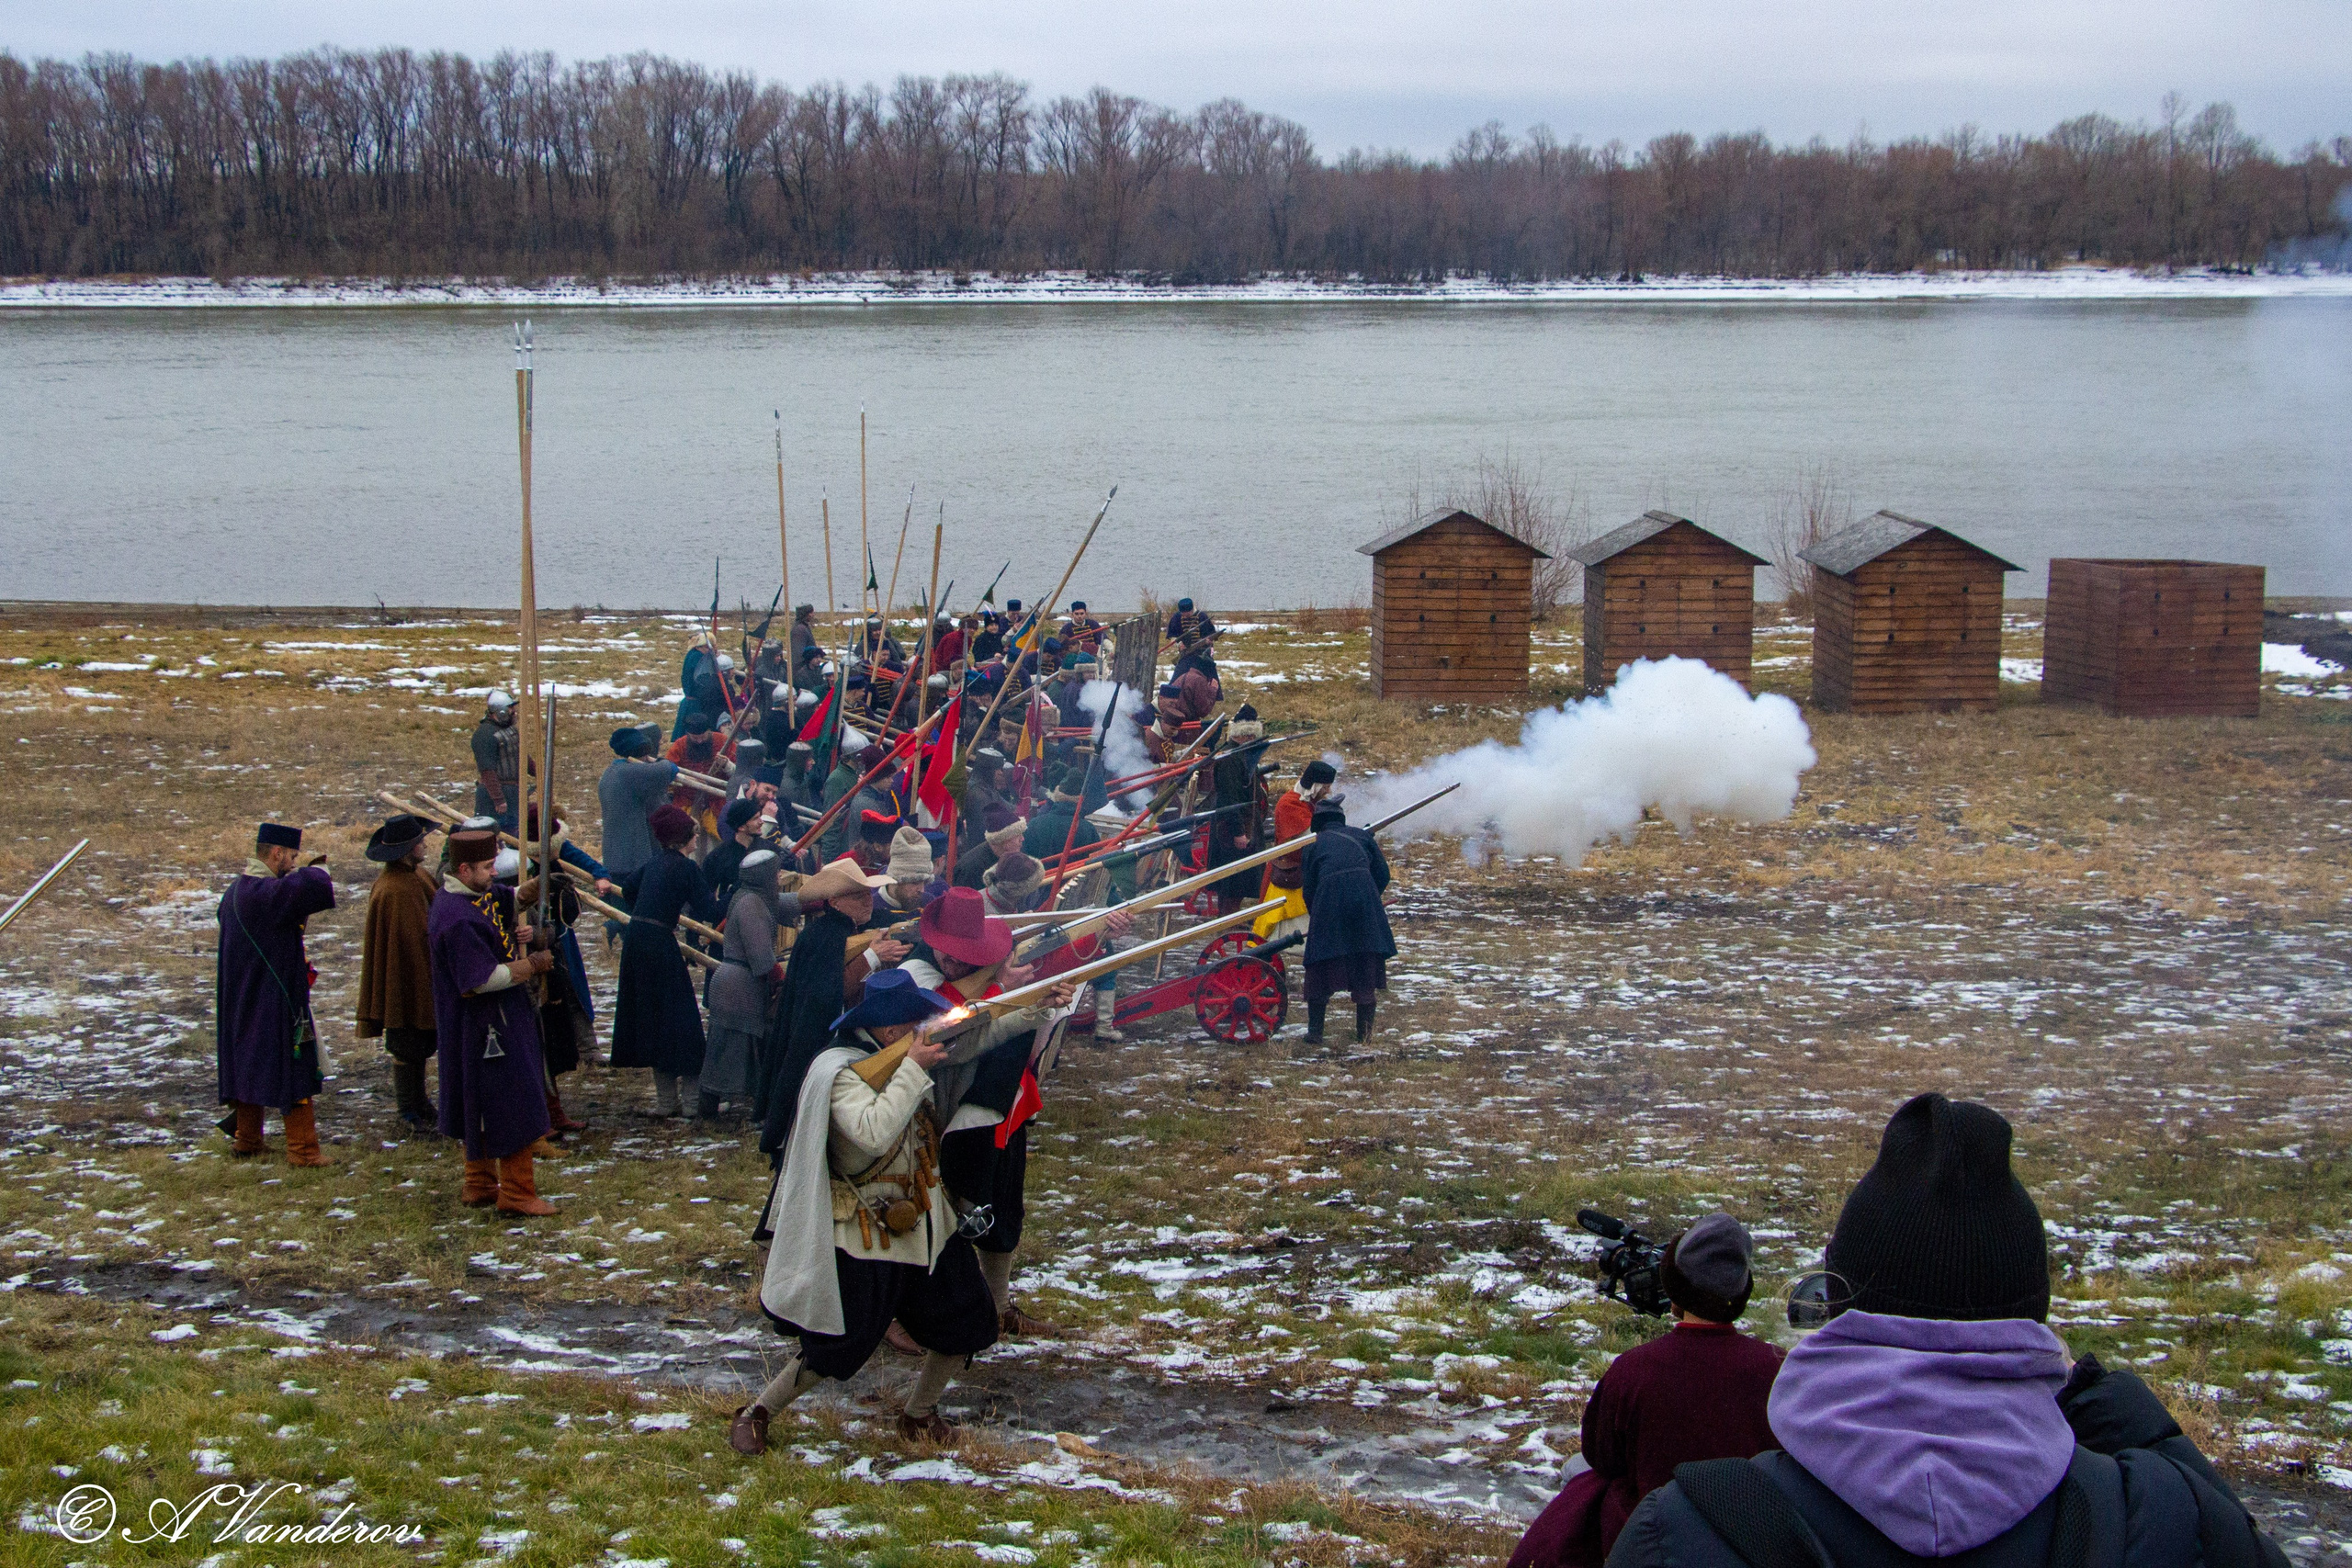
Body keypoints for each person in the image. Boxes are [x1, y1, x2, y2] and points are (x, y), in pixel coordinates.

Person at [1608, 1092, 2289, 1568]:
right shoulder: (2166, 1522)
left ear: (1837, 1307)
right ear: (2030, 1324)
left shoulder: (1683, 1532)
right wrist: (2127, 1415)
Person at [735, 965, 1003, 1454]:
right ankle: (758, 1411)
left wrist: (1039, 1005)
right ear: (889, 1030)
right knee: (838, 1345)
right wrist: (914, 1069)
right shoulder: (839, 1073)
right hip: (868, 1233)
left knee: (968, 1321)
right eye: (911, 1022)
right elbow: (874, 1132)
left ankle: (919, 1415)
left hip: (929, 1223)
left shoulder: (901, 1056)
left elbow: (983, 1035)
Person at [1509, 1214, 1781, 1568]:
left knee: (1579, 1475)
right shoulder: (1778, 1368)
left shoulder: (1635, 1369)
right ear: (1742, 1292)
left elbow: (1600, 1455)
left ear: (1674, 1286)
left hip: (1650, 1544)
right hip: (1753, 1546)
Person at [898, 890, 1076, 1339]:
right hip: (938, 1111)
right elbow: (946, 1037)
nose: (959, 964)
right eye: (954, 955)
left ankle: (998, 1308)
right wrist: (1006, 993)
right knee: (937, 1213)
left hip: (1004, 1103)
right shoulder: (911, 978)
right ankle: (908, 1314)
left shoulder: (989, 970)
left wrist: (1038, 998)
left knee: (1003, 1207)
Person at [427, 825, 560, 1215]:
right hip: (486, 1024)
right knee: (509, 1100)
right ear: (464, 870)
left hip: (488, 1020)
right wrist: (531, 965)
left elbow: (503, 897)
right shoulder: (456, 918)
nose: (493, 873)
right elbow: (480, 981)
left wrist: (532, 888)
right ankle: (517, 1192)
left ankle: (479, 1183)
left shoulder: (469, 895)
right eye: (487, 867)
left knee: (480, 1103)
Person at [216, 821, 335, 1166]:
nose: (295, 863)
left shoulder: (236, 891)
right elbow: (312, 884)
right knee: (293, 1062)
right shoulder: (264, 893)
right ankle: (303, 1150)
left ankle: (248, 1139)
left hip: (245, 996)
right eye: (293, 857)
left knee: (248, 1062)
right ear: (277, 853)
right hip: (275, 998)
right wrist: (318, 870)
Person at [611, 805, 718, 1117]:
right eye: (693, 834)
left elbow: (629, 890)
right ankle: (691, 1102)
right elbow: (707, 910)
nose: (697, 839)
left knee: (652, 1018)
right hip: (659, 944)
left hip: (637, 940)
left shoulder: (654, 862)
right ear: (683, 838)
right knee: (680, 1019)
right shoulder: (686, 868)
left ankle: (666, 1101)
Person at [519, 804, 614, 1133]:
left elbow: (581, 859)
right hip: (535, 946)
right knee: (547, 1011)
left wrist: (599, 874)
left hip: (561, 937)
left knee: (575, 993)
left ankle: (588, 1047)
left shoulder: (556, 849)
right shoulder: (518, 869)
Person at [356, 813, 442, 1135]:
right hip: (406, 977)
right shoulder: (395, 888)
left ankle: (419, 1103)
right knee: (406, 1040)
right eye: (419, 841)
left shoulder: (414, 875)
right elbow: (412, 940)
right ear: (406, 849)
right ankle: (408, 1108)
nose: (424, 844)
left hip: (419, 973)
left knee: (419, 1041)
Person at [1299, 795, 1395, 1045]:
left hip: (1327, 904)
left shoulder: (1312, 846)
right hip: (1365, 904)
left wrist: (1317, 913)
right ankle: (1364, 1036)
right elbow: (1383, 875)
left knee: (1320, 966)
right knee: (1365, 964)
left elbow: (1308, 889)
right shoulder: (1363, 837)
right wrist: (1368, 897)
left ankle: (1315, 1033)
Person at [703, 848, 786, 1122]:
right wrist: (784, 977)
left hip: (735, 983)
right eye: (775, 873)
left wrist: (822, 899)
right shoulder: (751, 905)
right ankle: (708, 1112)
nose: (779, 878)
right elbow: (762, 960)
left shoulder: (752, 897)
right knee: (723, 1051)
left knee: (728, 1048)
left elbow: (788, 903)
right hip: (738, 986)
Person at [1254, 760, 1333, 943]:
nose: (1328, 791)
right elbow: (1309, 836)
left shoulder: (1311, 803)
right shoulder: (1291, 804)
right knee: (1276, 922)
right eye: (1326, 787)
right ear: (1316, 786)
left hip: (1307, 868)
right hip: (1289, 869)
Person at [597, 724, 680, 886]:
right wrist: (658, 761)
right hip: (631, 857)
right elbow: (669, 769)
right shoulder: (629, 772)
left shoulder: (612, 771)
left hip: (616, 854)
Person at [471, 692, 522, 829]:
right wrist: (498, 799)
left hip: (511, 792)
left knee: (514, 832)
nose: (514, 712)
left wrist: (540, 774)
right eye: (511, 709)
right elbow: (487, 770)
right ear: (501, 711)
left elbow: (520, 756)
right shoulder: (485, 734)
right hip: (495, 795)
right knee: (493, 833)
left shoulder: (509, 732)